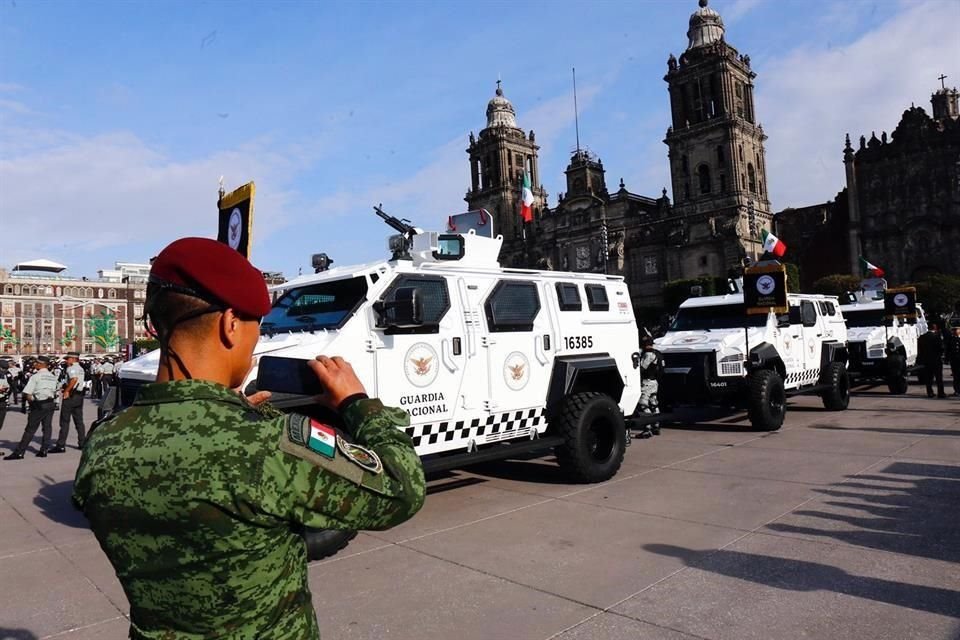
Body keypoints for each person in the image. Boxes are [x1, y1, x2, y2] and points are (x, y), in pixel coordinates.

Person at [73, 237, 425, 639]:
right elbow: (401, 491)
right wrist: (358, 403)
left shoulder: (103, 443)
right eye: (258, 327)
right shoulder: (269, 444)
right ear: (230, 324)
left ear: (156, 323)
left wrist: (232, 415)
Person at [5, 355, 59, 459]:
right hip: (50, 403)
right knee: (47, 427)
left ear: (41, 364)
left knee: (30, 429)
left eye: (36, 363)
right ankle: (44, 450)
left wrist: (32, 403)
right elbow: (56, 389)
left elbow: (28, 393)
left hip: (39, 404)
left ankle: (19, 452)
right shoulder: (52, 376)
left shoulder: (36, 376)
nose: (34, 364)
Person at [52, 351, 86, 452]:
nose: (66, 361)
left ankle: (61, 445)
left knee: (64, 421)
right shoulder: (80, 368)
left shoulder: (71, 368)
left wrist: (66, 391)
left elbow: (74, 379)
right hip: (79, 396)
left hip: (71, 396)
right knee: (79, 421)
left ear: (73, 359)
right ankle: (82, 443)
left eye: (67, 359)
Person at [635, 335, 664, 439]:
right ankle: (656, 426)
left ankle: (647, 429)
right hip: (654, 382)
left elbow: (642, 368)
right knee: (653, 403)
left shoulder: (648, 354)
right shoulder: (658, 353)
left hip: (647, 382)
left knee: (643, 404)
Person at [917, 321, 946, 398]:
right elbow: (941, 348)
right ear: (935, 328)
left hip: (926, 360)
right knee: (939, 378)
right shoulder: (937, 337)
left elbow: (920, 349)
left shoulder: (922, 337)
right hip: (936, 360)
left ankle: (930, 392)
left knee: (929, 378)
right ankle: (941, 393)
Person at [947, 326, 960, 397]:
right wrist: (947, 359)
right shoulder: (951, 339)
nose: (955, 331)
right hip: (954, 361)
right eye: (954, 330)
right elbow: (948, 350)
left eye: (956, 330)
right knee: (956, 377)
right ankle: (957, 391)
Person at [0, 360, 11, 433]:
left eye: (6, 368)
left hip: (2, 401)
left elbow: (8, 385)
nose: (5, 370)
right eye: (3, 368)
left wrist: (6, 389)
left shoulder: (4, 375)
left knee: (0, 422)